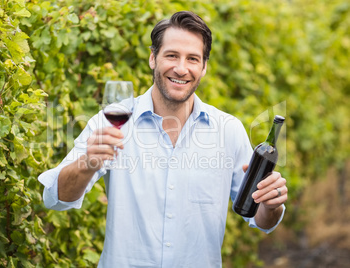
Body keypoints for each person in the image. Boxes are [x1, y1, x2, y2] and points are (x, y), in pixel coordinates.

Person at [38, 11, 288, 267]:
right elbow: (55, 198)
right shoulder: (113, 122)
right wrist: (86, 163)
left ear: (204, 68)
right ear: (152, 58)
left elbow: (260, 219)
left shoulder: (229, 131)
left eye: (192, 58)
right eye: (171, 55)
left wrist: (272, 205)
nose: (181, 68)